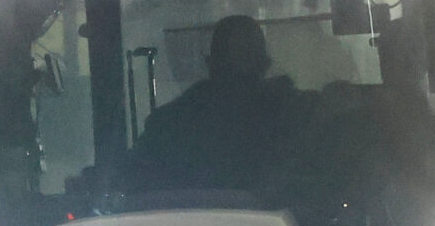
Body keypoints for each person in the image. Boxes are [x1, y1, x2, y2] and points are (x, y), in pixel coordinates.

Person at [125, 15, 309, 199]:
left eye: (247, 65)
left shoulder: (294, 118)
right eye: (231, 70)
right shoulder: (168, 126)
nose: (238, 90)